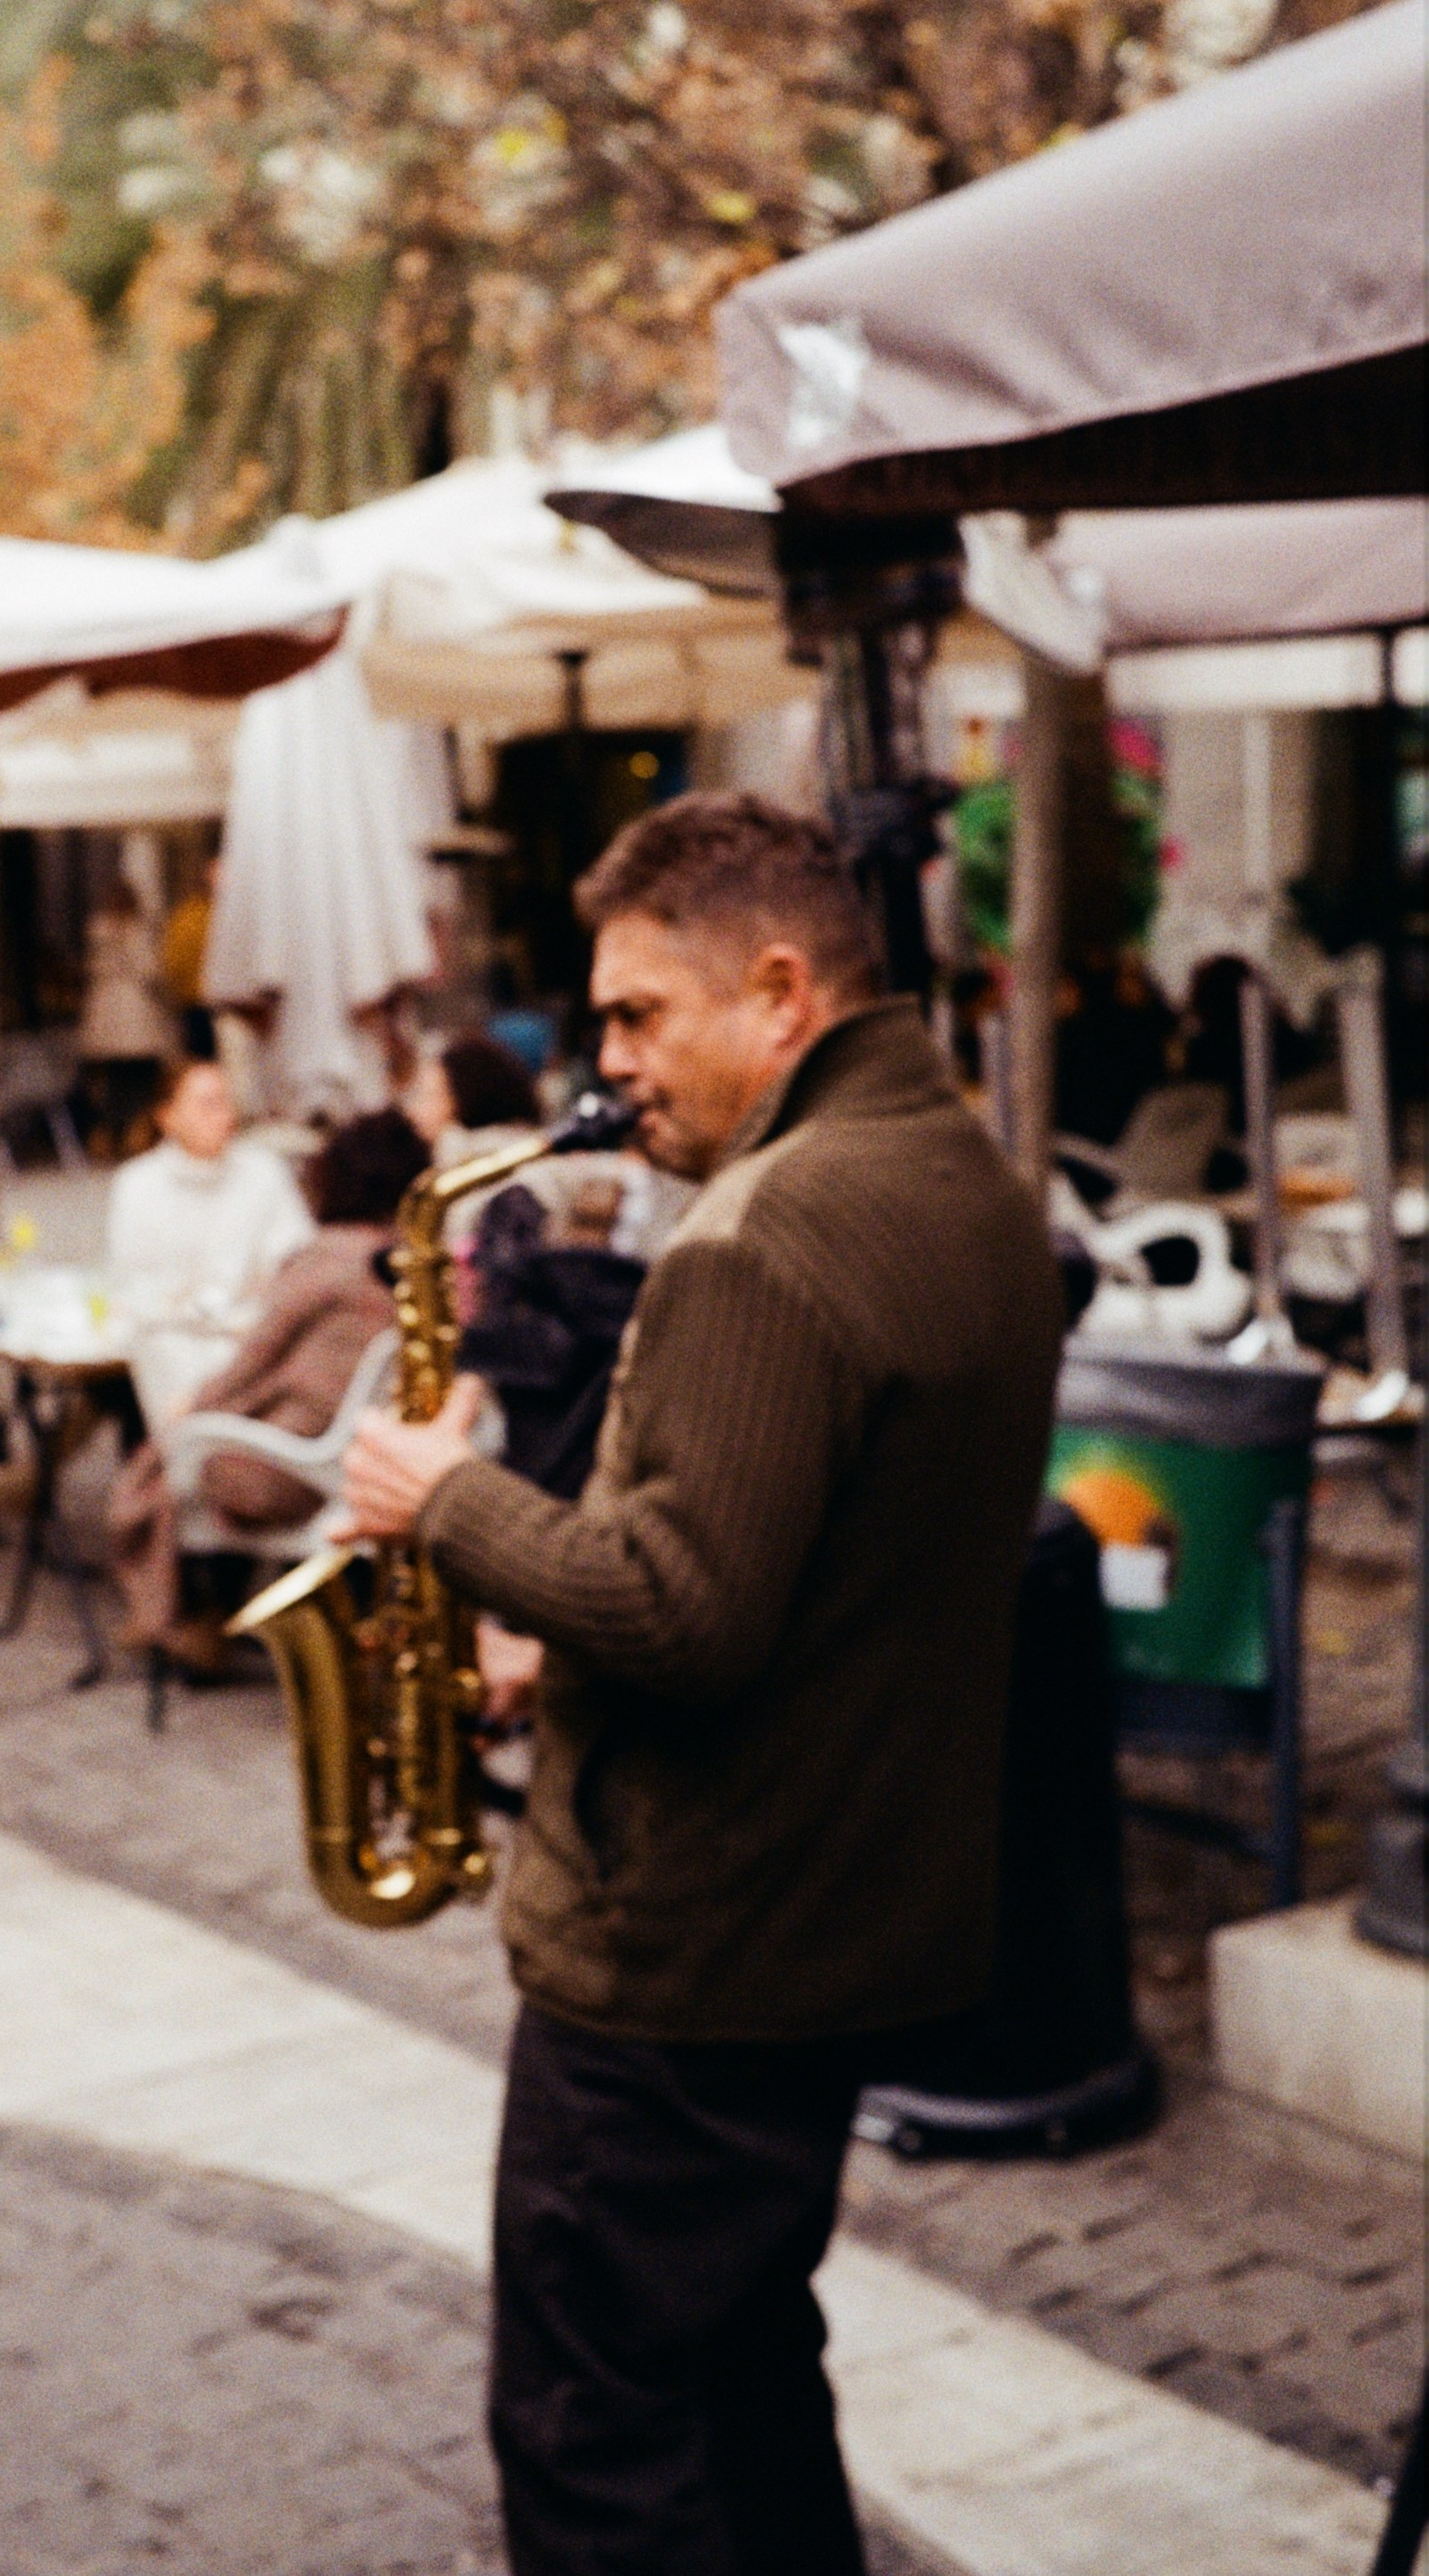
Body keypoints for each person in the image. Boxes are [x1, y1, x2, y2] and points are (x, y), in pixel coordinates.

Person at [338, 793, 1062, 2576]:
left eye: (635, 1013)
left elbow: (680, 1612)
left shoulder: (753, 1241)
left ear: (776, 990)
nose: (606, 1060)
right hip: (840, 1924)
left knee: (595, 2433)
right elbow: (807, 1573)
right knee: (739, 2373)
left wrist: (450, 1503)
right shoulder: (963, 1176)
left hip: (683, 1960)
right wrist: (543, 1639)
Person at [109, 1107, 428, 1670]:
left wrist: (191, 1411)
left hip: (297, 1471)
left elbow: (251, 1362)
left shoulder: (326, 1259)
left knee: (175, 1455)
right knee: (208, 1441)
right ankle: (212, 1620)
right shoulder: (413, 1262)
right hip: (361, 1456)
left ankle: (188, 1621)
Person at [106, 1057, 313, 1428]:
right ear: (168, 1116)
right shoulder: (137, 1185)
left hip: (256, 1341)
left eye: (226, 1102)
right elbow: (135, 1288)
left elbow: (295, 1264)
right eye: (208, 1105)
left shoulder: (264, 1173)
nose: (224, 1116)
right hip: (175, 1347)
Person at [78, 876, 172, 1156]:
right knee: (138, 1078)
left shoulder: (96, 931)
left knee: (113, 1081)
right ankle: (134, 1133)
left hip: (106, 1016)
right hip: (134, 1015)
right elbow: (150, 970)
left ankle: (114, 1133)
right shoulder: (137, 932)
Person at [402, 1031, 542, 1163]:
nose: (412, 1112)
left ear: (464, 1098)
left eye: (427, 1096)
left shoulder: (467, 1163)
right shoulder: (529, 1147)